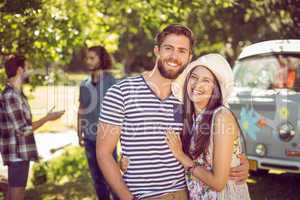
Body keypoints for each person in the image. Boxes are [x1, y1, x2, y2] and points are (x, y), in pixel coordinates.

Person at [96, 24, 249, 200]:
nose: (174, 56)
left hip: (186, 193)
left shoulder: (189, 98)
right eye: (168, 48)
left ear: (189, 57)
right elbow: (104, 152)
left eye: (182, 51)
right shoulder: (121, 92)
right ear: (157, 50)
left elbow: (213, 140)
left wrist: (239, 164)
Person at [166, 53, 251, 199]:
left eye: (206, 80)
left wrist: (181, 156)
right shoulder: (192, 118)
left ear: (215, 88)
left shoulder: (221, 117)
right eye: (194, 77)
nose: (197, 84)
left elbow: (218, 183)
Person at [0, 55, 64, 200]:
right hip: (18, 155)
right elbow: (22, 129)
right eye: (27, 67)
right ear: (20, 70)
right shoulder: (11, 96)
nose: (29, 71)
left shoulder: (17, 94)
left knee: (12, 195)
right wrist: (48, 118)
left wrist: (47, 116)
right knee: (17, 196)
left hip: (21, 154)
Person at [77, 45, 117, 199]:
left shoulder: (111, 81)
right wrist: (79, 132)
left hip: (107, 139)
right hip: (89, 139)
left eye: (92, 58)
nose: (88, 61)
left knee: (112, 178)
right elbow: (81, 108)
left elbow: (120, 110)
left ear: (101, 60)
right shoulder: (84, 84)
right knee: (97, 180)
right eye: (87, 58)